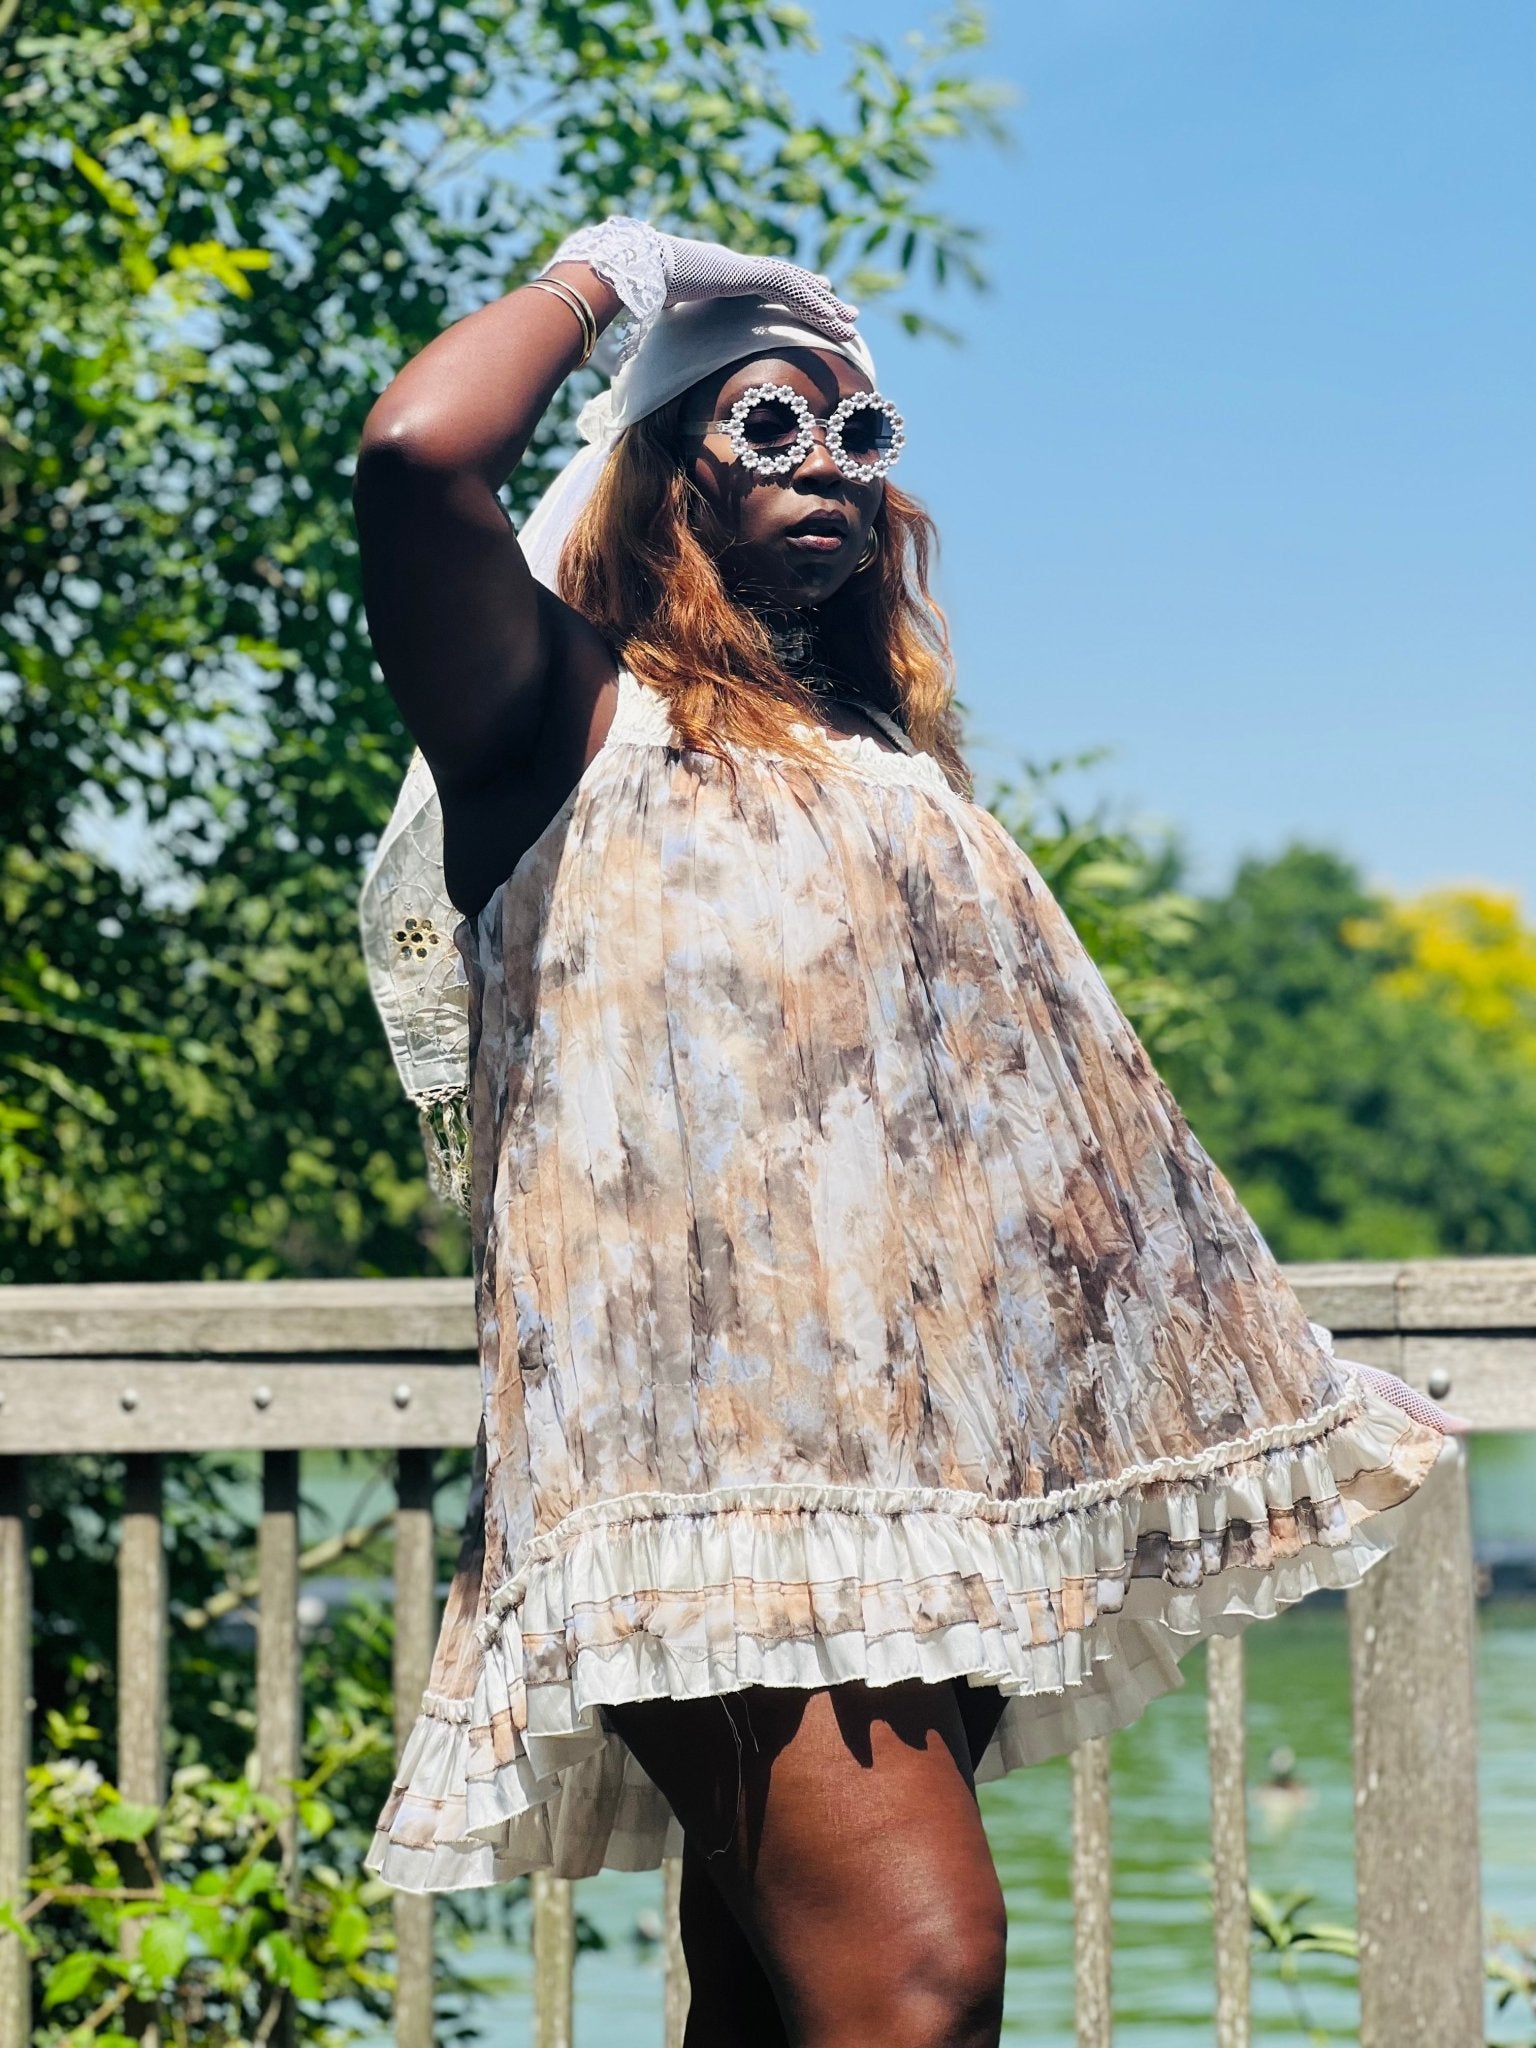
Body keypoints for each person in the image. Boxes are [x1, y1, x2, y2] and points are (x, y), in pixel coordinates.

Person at [351, 217, 1453, 2048]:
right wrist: (608, 275)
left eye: (863, 436)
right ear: (659, 466)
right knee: (921, 1977)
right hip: (695, 1501)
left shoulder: (891, 777)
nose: (831, 467)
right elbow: (415, 456)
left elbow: (1053, 1149)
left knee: (776, 2006)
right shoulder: (555, 718)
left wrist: (1280, 1376)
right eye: (769, 424)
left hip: (923, 1493)